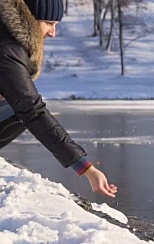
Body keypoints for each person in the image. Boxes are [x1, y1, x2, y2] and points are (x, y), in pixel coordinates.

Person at [0, 0, 117, 197]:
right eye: (48, 23)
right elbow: (34, 112)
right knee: (20, 109)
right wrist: (86, 168)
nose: (52, 33)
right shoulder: (6, 49)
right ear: (28, 18)